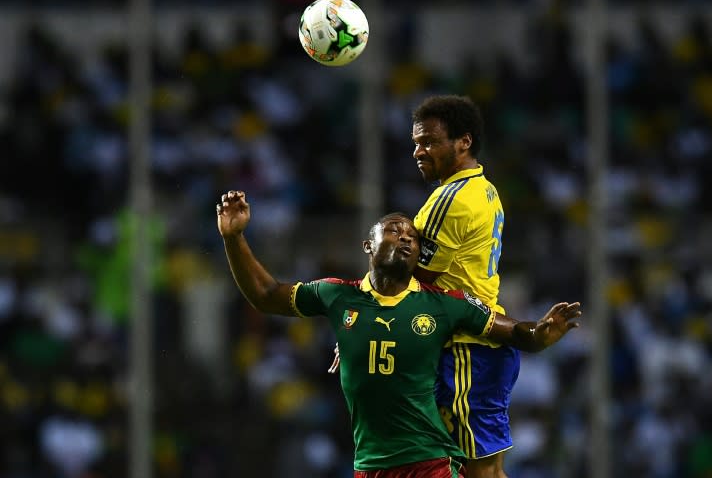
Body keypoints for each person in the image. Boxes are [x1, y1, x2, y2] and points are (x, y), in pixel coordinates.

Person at [217, 190, 581, 477]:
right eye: (394, 230)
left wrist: (541, 333)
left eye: (412, 237)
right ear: (368, 245)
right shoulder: (337, 294)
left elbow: (514, 331)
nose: (406, 238)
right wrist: (234, 238)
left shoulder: (444, 304)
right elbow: (265, 295)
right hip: (371, 466)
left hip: (430, 463)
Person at [411, 94, 526, 478]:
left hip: (463, 349)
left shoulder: (451, 199)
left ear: (464, 142)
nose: (419, 151)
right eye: (416, 143)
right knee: (488, 471)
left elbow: (411, 280)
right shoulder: (486, 189)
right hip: (484, 342)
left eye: (429, 142)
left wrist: (358, 323)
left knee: (474, 472)